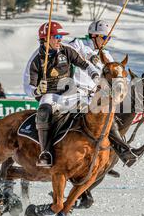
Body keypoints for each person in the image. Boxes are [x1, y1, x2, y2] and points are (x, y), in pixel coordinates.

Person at [68, 20, 144, 167]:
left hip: (96, 96)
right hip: (76, 92)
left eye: (108, 38)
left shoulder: (106, 55)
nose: (106, 41)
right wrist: (89, 56)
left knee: (110, 119)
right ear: (93, 35)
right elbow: (68, 52)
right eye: (105, 37)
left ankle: (107, 160)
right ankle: (124, 153)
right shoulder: (79, 44)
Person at [23, 21, 101, 167]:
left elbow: (83, 63)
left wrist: (94, 74)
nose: (60, 39)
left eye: (61, 36)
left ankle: (99, 146)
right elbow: (28, 85)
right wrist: (37, 90)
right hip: (49, 95)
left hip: (69, 92)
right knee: (44, 112)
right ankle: (45, 152)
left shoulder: (66, 50)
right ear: (46, 38)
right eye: (57, 36)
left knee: (93, 109)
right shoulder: (36, 59)